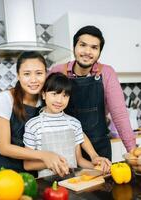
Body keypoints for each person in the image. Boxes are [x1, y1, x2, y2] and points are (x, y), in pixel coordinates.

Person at [49, 25, 136, 160]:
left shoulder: (107, 73)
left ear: (99, 52)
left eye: (94, 47)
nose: (87, 51)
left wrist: (133, 151)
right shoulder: (57, 71)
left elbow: (119, 114)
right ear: (74, 47)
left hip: (98, 149)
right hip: (64, 149)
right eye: (83, 45)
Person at [0, 51, 70, 178]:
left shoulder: (46, 100)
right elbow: (4, 147)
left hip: (28, 170)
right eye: (27, 74)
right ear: (18, 76)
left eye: (39, 73)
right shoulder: (6, 99)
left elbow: (69, 123)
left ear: (46, 74)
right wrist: (44, 155)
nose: (33, 80)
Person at [23, 72, 111, 177]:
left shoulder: (74, 123)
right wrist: (52, 163)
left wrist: (98, 168)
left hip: (73, 182)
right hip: (48, 185)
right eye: (54, 94)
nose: (59, 100)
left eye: (65, 95)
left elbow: (79, 160)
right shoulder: (33, 125)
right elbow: (27, 165)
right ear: (43, 94)